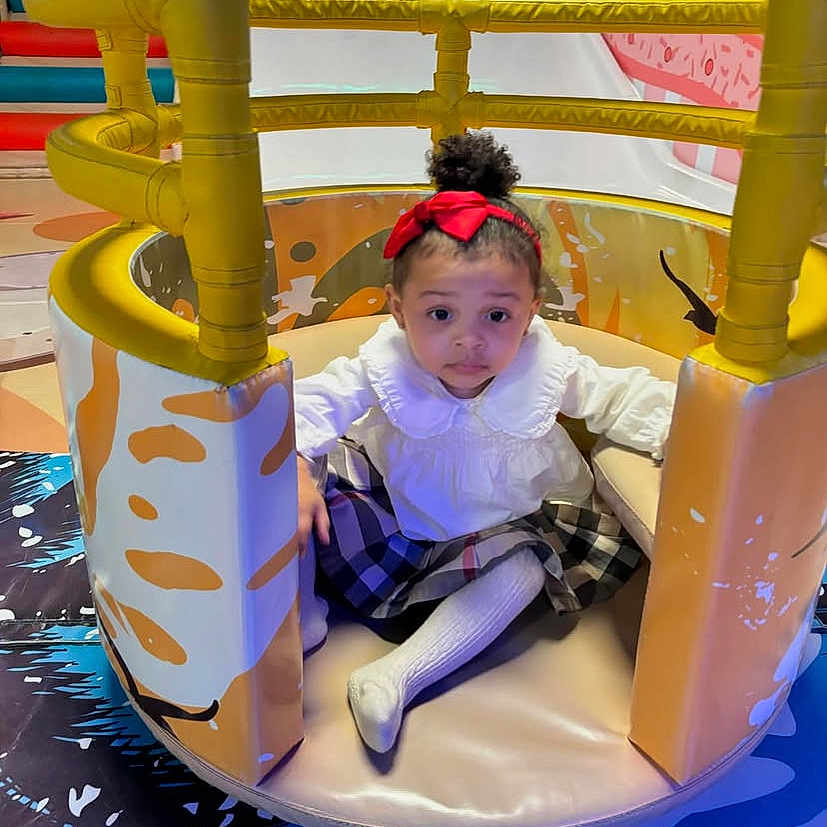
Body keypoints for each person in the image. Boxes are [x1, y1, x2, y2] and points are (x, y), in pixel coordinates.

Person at [293, 131, 676, 753]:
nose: (469, 341)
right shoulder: (383, 365)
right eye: (441, 314)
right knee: (303, 473)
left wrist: (694, 431)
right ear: (397, 309)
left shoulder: (544, 366)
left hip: (500, 531)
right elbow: (302, 407)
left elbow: (623, 397)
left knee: (530, 561)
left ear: (529, 313)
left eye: (497, 316)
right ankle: (301, 610)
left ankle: (398, 676)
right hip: (396, 523)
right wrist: (294, 468)